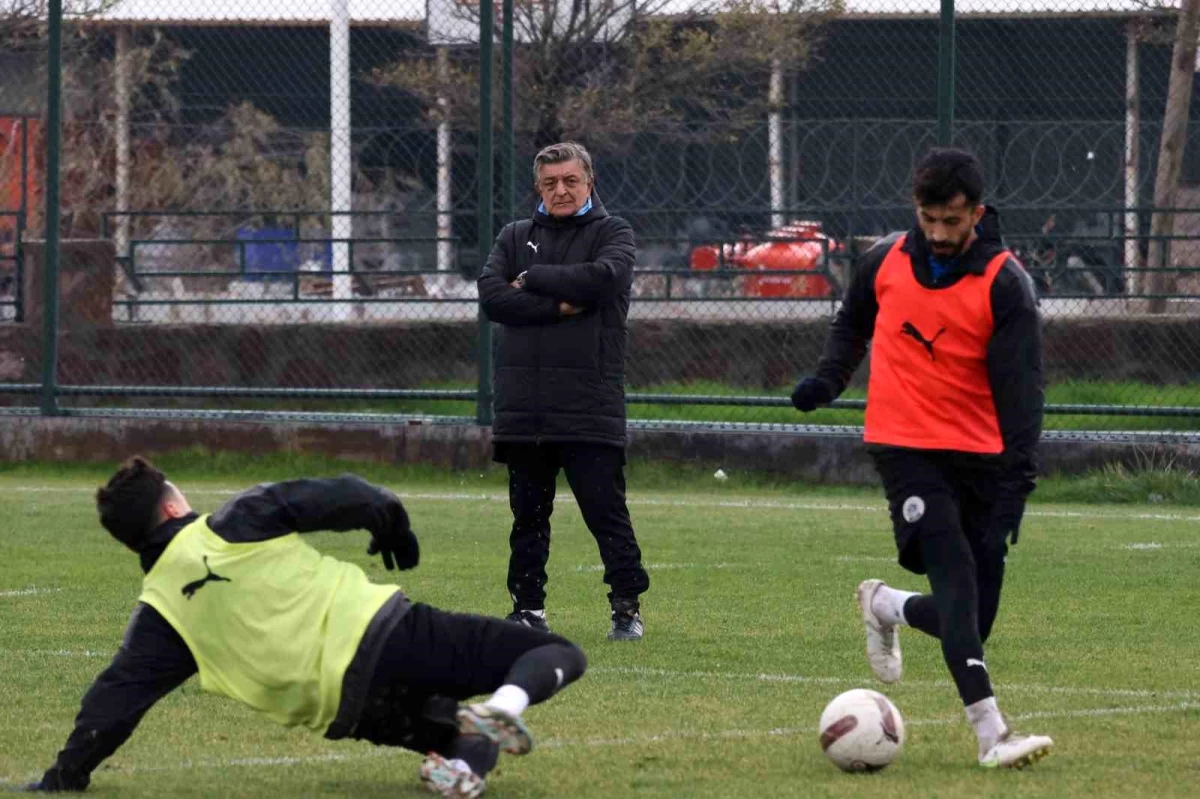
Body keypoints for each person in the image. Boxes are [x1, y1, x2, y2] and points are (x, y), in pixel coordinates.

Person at [24, 457, 587, 797]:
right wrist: (391, 526)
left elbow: (112, 704)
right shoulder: (233, 522)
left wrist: (64, 775)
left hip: (345, 709)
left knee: (458, 733)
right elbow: (345, 493)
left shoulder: (158, 616)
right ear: (172, 509)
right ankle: (504, 709)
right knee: (555, 651)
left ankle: (463, 766)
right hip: (383, 636)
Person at [790, 147, 1053, 769]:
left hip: (982, 458)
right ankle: (992, 734)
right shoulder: (884, 258)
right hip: (905, 447)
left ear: (976, 214)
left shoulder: (1005, 282)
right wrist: (828, 382)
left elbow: (1023, 394)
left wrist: (1016, 483)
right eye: (928, 220)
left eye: (952, 223)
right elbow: (851, 325)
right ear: (917, 210)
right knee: (957, 585)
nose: (938, 235)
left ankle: (887, 605)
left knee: (972, 620)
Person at [477, 141, 650, 641]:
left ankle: (625, 608)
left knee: (606, 514)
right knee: (527, 519)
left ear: (589, 182)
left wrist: (530, 280)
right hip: (524, 407)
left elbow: (604, 279)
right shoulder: (514, 235)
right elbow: (492, 298)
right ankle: (527, 608)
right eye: (551, 183)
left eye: (570, 181)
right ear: (539, 187)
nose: (561, 190)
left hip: (589, 404)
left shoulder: (613, 233)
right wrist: (557, 305)